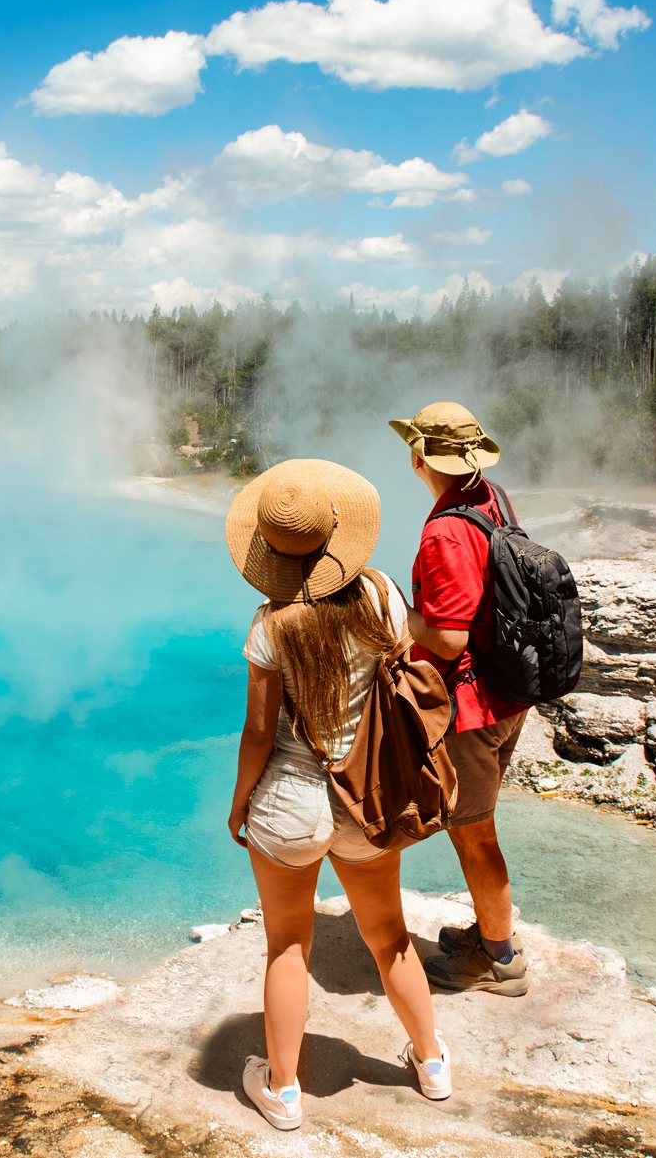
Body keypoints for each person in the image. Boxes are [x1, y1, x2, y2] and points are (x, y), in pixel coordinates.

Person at [223, 458, 453, 1131]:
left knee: (287, 945)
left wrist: (240, 803)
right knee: (389, 936)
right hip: (368, 796)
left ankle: (284, 1090)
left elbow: (258, 734)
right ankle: (432, 1061)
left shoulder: (270, 626)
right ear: (336, 538)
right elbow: (402, 669)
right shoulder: (380, 594)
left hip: (289, 805)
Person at [388, 402, 532, 997]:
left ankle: (501, 961)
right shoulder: (489, 496)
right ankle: (489, 933)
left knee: (474, 832)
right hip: (509, 690)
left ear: (419, 457)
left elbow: (447, 638)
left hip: (471, 708)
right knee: (476, 827)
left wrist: (401, 615)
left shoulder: (446, 528)